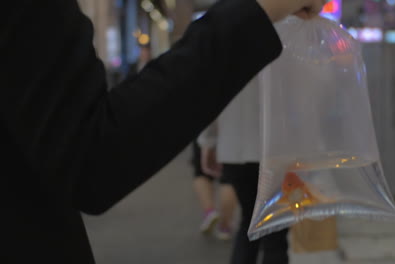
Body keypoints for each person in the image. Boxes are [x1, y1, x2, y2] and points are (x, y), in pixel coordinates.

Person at [1, 0, 326, 263]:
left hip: (239, 148)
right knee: (271, 234)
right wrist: (257, 11)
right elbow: (91, 157)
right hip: (272, 152)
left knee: (252, 230)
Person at [199, 77, 288, 264]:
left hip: (234, 149)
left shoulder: (225, 52)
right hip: (276, 150)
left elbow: (210, 97)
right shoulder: (283, 49)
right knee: (275, 229)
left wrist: (208, 141)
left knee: (249, 221)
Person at [191, 142, 237, 239]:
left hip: (204, 135)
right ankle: (225, 226)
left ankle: (210, 212)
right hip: (233, 136)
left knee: (201, 173)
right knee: (228, 179)